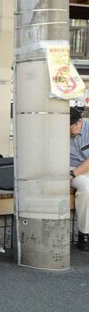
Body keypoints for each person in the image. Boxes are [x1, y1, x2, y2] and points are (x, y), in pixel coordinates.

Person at [69, 106, 89, 251]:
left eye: (71, 128)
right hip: (69, 170)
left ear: (80, 121)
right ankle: (84, 233)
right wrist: (72, 174)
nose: (69, 133)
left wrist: (75, 173)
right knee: (86, 188)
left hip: (81, 169)